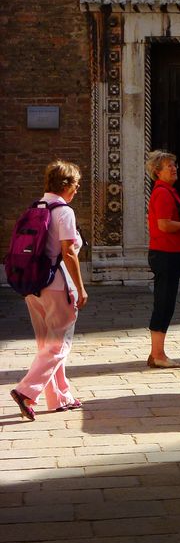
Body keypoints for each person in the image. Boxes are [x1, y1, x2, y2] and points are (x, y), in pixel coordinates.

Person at [10, 160, 88, 421]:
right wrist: (80, 287)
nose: (77, 189)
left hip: (32, 285)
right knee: (59, 344)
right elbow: (67, 252)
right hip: (55, 284)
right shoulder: (64, 212)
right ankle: (26, 391)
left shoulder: (36, 207)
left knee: (46, 343)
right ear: (66, 185)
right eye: (76, 184)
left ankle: (59, 397)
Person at [145, 149, 180, 368]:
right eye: (169, 166)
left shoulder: (167, 191)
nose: (174, 168)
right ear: (158, 171)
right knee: (164, 304)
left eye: (175, 165)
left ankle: (156, 353)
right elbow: (164, 225)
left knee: (165, 302)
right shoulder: (163, 193)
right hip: (166, 254)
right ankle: (158, 355)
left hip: (169, 254)